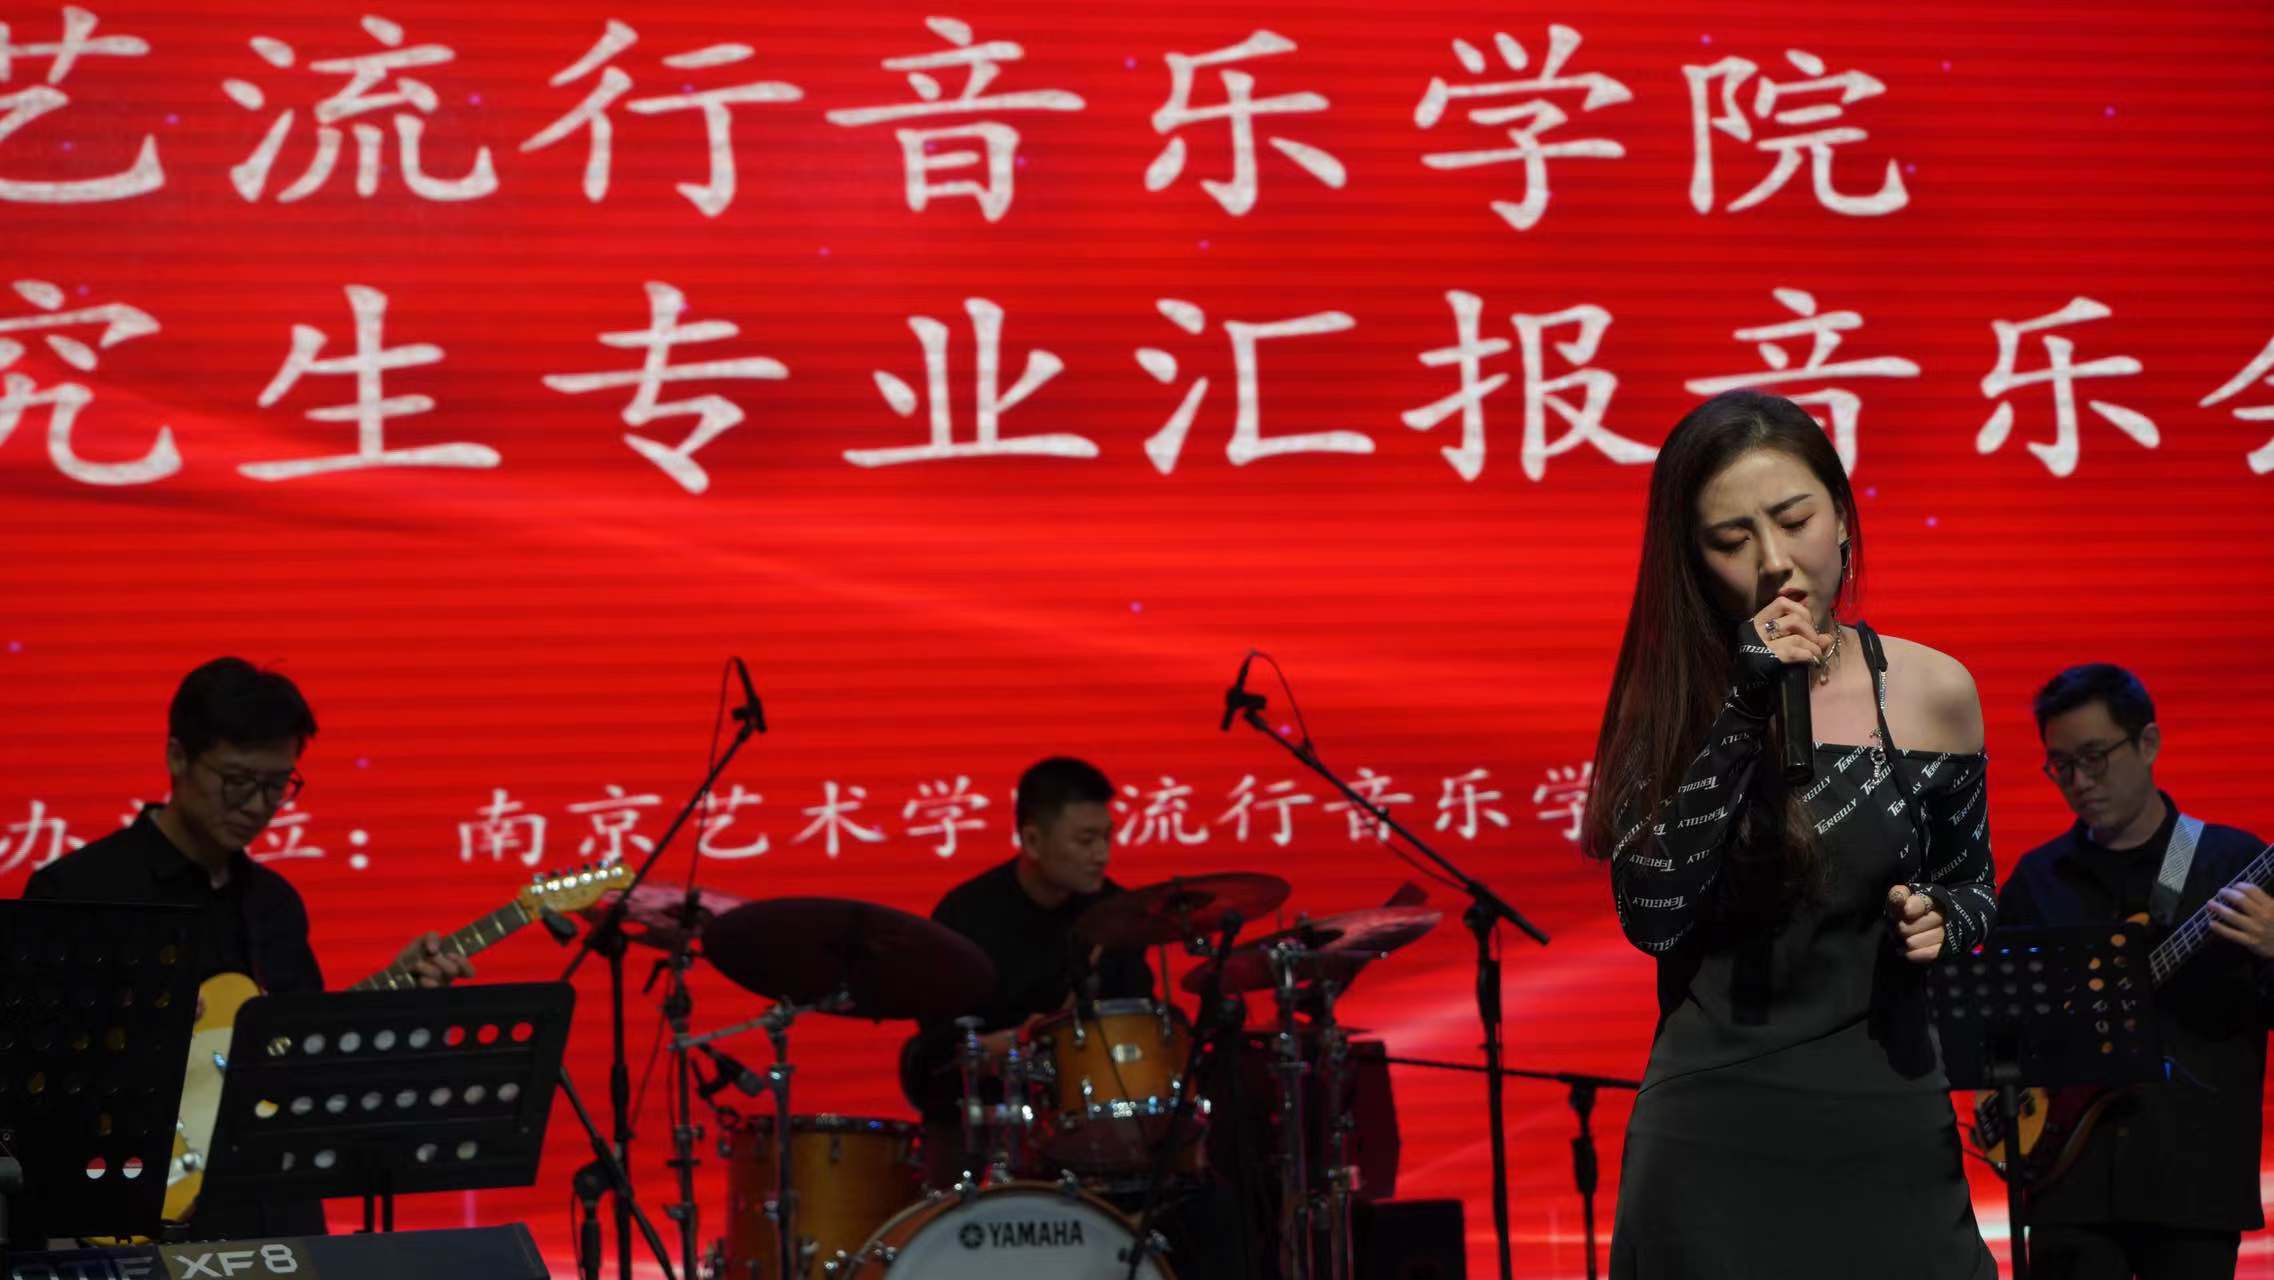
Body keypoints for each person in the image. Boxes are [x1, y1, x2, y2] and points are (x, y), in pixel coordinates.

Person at [1583, 389, 1998, 1278]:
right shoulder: (1670, 709)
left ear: (1842, 519)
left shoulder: (1933, 690)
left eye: (1795, 519)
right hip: (1714, 1139)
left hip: (1888, 1115)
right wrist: (1745, 706)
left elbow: (1974, 887)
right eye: (1731, 540)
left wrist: (1941, 918)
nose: (1774, 562)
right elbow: (1652, 917)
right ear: (1693, 560)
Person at [23, 656, 471, 1240]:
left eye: (277, 786)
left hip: (273, 1207)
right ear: (177, 757)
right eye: (237, 781)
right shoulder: (80, 890)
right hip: (130, 1207)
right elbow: (32, 1075)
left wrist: (393, 1002)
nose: (257, 806)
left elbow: (305, 1054)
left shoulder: (274, 904)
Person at [1996, 663, 2272, 1279]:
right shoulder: (2038, 879)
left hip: (2194, 1183)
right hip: (2068, 1183)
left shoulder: (2232, 861)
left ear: (2147, 743)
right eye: (2061, 764)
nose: (2079, 781)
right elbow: (1997, 1017)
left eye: (2095, 757)